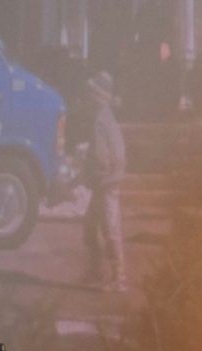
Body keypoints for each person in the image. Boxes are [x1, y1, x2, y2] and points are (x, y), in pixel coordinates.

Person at [81, 71, 127, 291]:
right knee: (90, 228)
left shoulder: (106, 120)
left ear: (97, 97)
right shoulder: (99, 120)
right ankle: (97, 271)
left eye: (90, 94)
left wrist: (112, 176)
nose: (87, 98)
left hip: (108, 185)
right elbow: (94, 154)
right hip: (100, 184)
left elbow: (117, 154)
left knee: (110, 230)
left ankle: (119, 278)